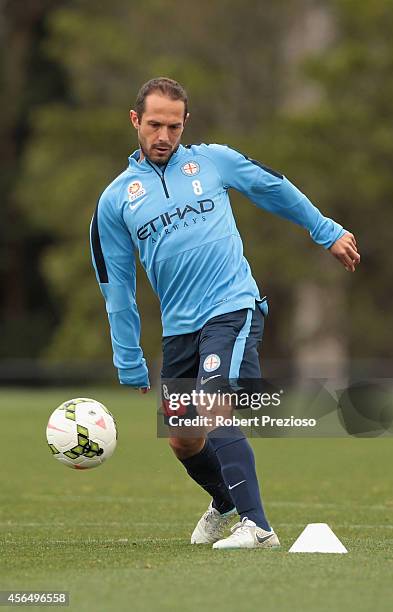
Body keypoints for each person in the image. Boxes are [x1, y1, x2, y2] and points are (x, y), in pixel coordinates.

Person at [90, 77, 360, 550]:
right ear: (135, 120)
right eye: (154, 124)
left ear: (185, 123)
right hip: (179, 330)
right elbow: (117, 287)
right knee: (183, 438)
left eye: (173, 126)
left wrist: (325, 230)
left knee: (215, 406)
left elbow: (273, 187)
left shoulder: (211, 159)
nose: (163, 136)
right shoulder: (115, 200)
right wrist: (128, 357)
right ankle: (225, 504)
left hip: (232, 308)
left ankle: (258, 528)